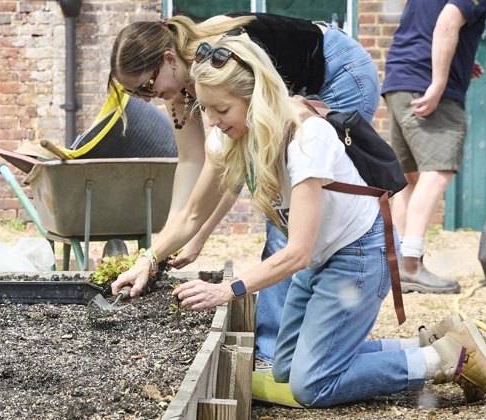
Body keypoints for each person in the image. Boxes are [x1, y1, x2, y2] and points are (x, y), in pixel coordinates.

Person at [109, 38, 486, 408]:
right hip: (320, 258)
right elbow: (193, 214)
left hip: (357, 255)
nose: (211, 121)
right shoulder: (231, 137)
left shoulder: (306, 138)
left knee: (311, 385)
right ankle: (424, 346)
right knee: (284, 368)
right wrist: (147, 259)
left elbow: (297, 250)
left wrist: (228, 290)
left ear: (257, 99)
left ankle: (448, 359)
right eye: (205, 108)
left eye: (222, 109)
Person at [105, 13, 380, 368]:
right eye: (133, 93)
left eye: (145, 86)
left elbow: (237, 174)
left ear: (169, 60)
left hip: (338, 69)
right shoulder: (186, 92)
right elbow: (201, 166)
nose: (144, 99)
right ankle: (304, 345)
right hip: (287, 95)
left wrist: (219, 273)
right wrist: (157, 254)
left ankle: (271, 349)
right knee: (283, 202)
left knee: (289, 208)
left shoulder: (229, 57)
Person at [382, 0, 486, 294]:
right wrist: (439, 83)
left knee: (411, 178)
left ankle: (401, 268)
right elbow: (446, 24)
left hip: (399, 82)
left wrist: (460, 61)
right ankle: (411, 265)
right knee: (437, 171)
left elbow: (426, 29)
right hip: (425, 86)